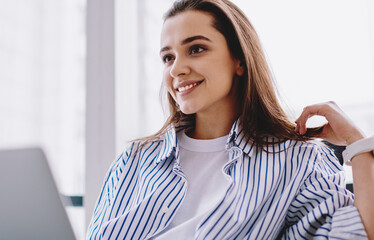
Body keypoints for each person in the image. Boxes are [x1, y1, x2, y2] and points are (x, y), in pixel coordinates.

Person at [87, 0, 374, 239]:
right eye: (167, 57)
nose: (177, 69)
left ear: (239, 59)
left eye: (196, 49)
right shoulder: (133, 161)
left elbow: (357, 232)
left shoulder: (297, 161)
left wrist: (358, 144)